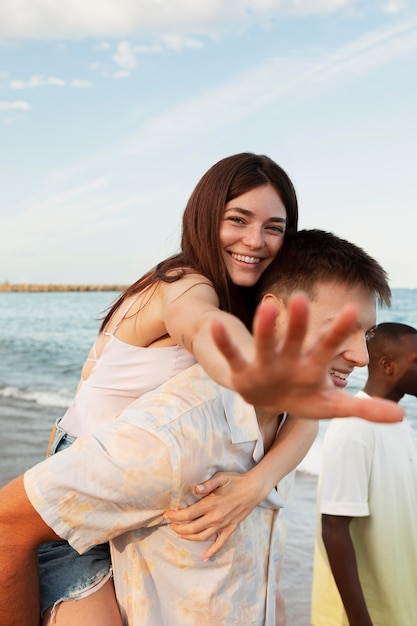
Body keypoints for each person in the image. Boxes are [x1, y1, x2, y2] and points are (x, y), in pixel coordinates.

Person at [0, 230, 402, 626]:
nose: (362, 357)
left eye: (366, 334)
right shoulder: (171, 439)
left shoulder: (289, 417)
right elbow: (9, 523)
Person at [37, 151, 309, 625]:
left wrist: (256, 483)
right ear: (205, 218)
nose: (255, 240)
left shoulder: (251, 303)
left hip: (161, 500)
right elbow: (202, 326)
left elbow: (309, 416)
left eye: (274, 227)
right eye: (238, 219)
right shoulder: (181, 285)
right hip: (84, 500)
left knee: (274, 611)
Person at [311, 322, 417, 626]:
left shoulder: (396, 422)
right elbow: (334, 527)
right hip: (362, 616)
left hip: (398, 605)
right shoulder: (354, 427)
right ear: (387, 366)